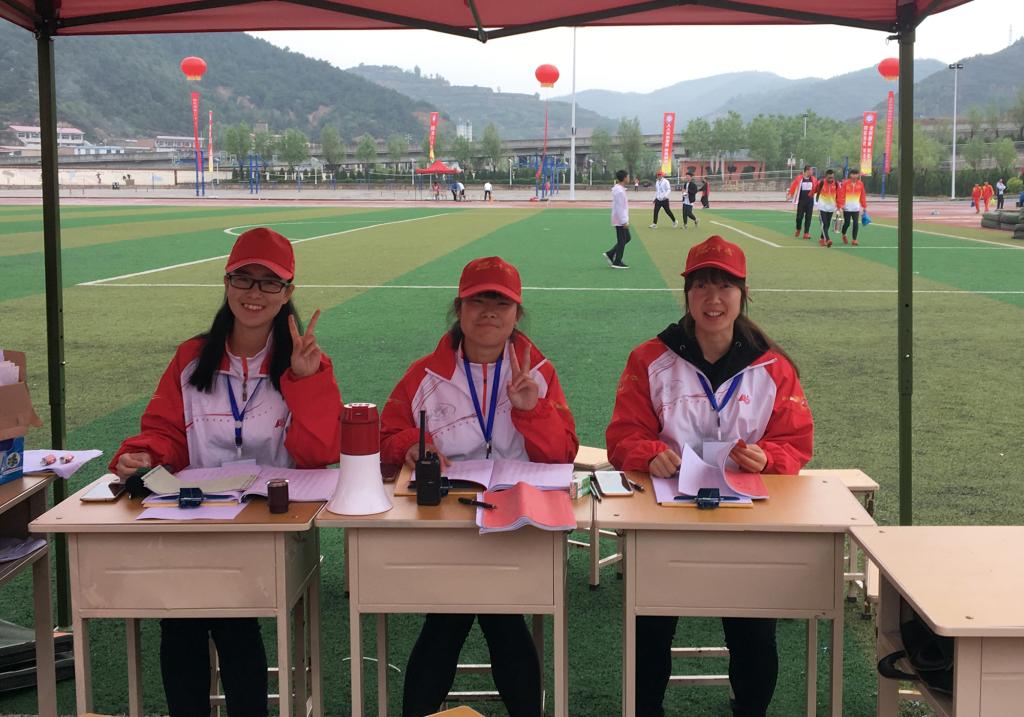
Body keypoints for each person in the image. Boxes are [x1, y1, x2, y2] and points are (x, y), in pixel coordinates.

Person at [109, 227, 342, 717]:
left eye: (269, 282)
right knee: (180, 622)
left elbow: (318, 454)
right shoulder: (191, 357)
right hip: (193, 515)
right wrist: (143, 455)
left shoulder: (305, 362)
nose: (255, 293)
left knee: (235, 621)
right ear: (227, 282)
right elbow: (164, 431)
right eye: (244, 279)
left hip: (267, 521)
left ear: (288, 293)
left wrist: (307, 382)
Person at [605, 234, 813, 717]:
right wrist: (650, 453)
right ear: (687, 294)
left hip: (749, 522)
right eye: (701, 286)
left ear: (743, 294)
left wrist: (768, 457)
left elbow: (796, 442)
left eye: (724, 286)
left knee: (753, 632)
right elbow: (622, 436)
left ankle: (749, 710)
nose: (712, 298)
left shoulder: (774, 366)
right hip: (666, 518)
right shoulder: (649, 359)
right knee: (649, 625)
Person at [380, 256, 578, 717]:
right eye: (477, 301)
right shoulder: (423, 375)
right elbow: (385, 440)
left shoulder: (539, 373)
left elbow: (562, 455)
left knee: (472, 618)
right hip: (444, 522)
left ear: (517, 313)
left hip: (517, 522)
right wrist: (411, 445)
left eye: (501, 303)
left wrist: (532, 411)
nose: (489, 311)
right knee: (471, 618)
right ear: (459, 308)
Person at [604, 169, 632, 269]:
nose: (629, 178)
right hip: (620, 220)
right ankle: (617, 262)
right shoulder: (619, 191)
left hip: (620, 218)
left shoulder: (620, 189)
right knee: (622, 240)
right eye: (628, 176)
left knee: (627, 238)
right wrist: (624, 221)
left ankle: (610, 254)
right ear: (624, 178)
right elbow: (620, 207)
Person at [785, 165, 817, 239]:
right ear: (807, 171)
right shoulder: (799, 178)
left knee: (808, 217)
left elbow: (817, 188)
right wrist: (790, 195)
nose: (812, 172)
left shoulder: (814, 179)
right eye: (811, 170)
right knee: (799, 217)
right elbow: (793, 186)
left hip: (810, 201)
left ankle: (806, 233)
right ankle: (798, 228)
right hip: (801, 201)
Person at [838, 168, 867, 246]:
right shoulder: (845, 183)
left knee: (855, 223)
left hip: (856, 208)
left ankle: (854, 239)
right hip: (847, 208)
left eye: (856, 174)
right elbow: (841, 195)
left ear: (858, 175)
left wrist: (864, 206)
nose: (854, 176)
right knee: (847, 223)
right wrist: (840, 205)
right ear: (850, 175)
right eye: (853, 174)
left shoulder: (860, 184)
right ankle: (844, 234)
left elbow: (862, 195)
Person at [814, 169, 840, 248]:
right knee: (824, 223)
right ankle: (827, 240)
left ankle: (822, 239)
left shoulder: (836, 184)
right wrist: (814, 200)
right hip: (822, 206)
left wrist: (838, 207)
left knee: (827, 224)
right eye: (829, 178)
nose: (831, 179)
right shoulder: (821, 183)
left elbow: (839, 195)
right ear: (826, 177)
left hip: (831, 207)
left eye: (832, 177)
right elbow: (815, 190)